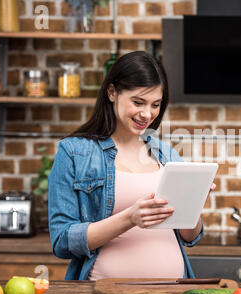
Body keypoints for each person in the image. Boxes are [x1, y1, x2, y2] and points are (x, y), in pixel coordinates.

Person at [48, 51, 215, 280]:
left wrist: (192, 206)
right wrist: (129, 218)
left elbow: (190, 237)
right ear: (112, 92)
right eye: (138, 102)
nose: (147, 114)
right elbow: (62, 241)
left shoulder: (167, 155)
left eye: (155, 105)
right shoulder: (75, 153)